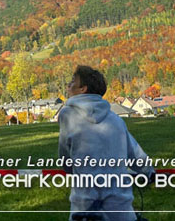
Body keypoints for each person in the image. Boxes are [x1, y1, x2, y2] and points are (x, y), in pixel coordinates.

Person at [58, 65, 154, 221]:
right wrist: (150, 174)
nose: (68, 85)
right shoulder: (116, 120)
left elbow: (66, 160)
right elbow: (136, 156)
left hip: (85, 209)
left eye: (72, 81)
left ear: (83, 88)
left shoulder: (67, 114)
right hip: (121, 209)